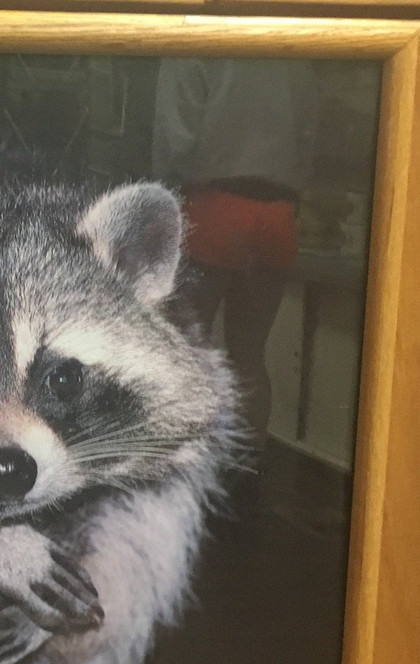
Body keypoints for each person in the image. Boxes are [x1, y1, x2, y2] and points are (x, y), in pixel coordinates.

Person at [152, 58, 319, 455]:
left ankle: (186, 461)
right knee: (250, 353)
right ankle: (251, 465)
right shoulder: (300, 60)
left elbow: (175, 143)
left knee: (187, 346)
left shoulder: (194, 49)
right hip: (278, 217)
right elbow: (307, 148)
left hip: (214, 209)